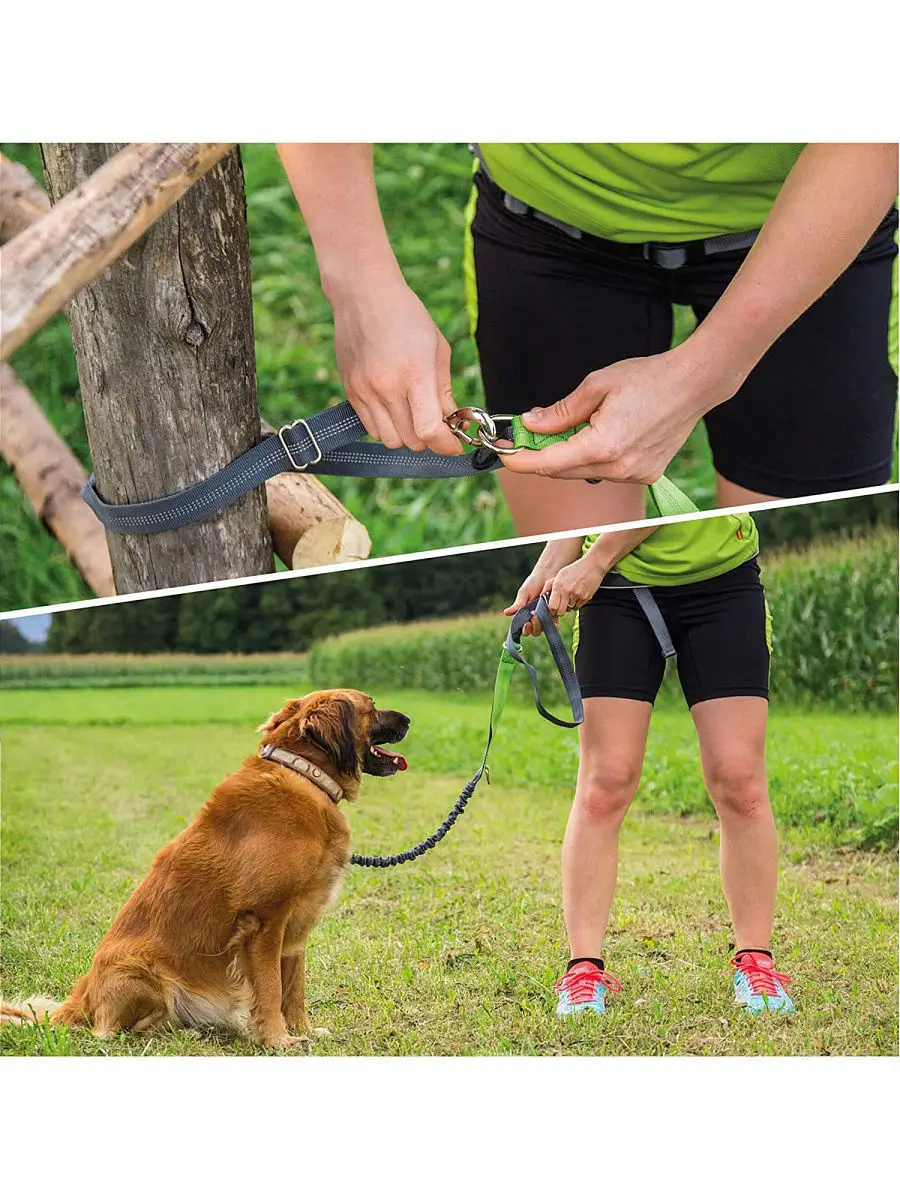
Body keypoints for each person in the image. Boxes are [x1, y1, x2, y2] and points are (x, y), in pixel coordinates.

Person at [277, 143, 898, 535]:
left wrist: (706, 371)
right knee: (583, 583)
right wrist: (361, 287)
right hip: (546, 219)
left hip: (811, 228)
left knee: (802, 550)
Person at [505, 507, 795, 1015]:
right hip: (619, 592)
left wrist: (591, 562)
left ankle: (756, 962)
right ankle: (583, 971)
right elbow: (587, 492)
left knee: (740, 781)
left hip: (720, 579)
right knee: (604, 783)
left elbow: (656, 479)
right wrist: (548, 569)